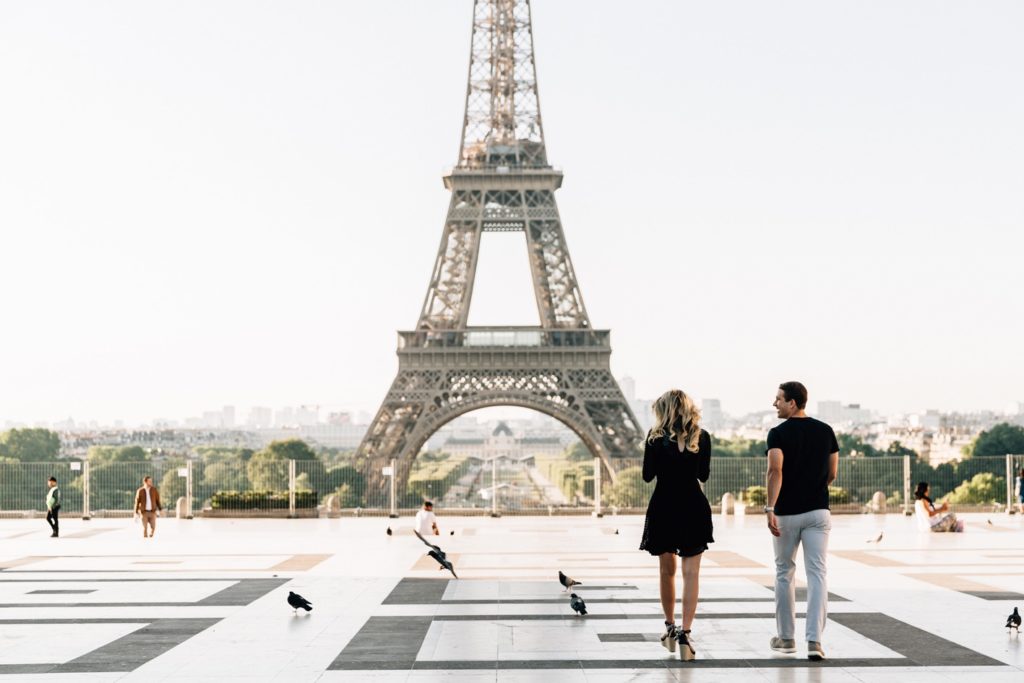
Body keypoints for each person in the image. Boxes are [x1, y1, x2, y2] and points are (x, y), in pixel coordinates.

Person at [765, 381, 838, 662]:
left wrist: (770, 507)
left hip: (786, 513)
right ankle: (814, 641)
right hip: (818, 511)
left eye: (779, 399)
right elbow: (832, 473)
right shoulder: (826, 431)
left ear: (792, 403)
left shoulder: (778, 434)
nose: (775, 404)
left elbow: (775, 470)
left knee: (785, 572)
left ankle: (785, 638)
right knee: (817, 574)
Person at [639, 389, 713, 661]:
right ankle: (686, 633)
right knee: (691, 574)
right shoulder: (702, 437)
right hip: (693, 505)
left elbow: (648, 476)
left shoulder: (654, 438)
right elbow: (703, 474)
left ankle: (670, 627)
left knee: (666, 572)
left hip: (664, 506)